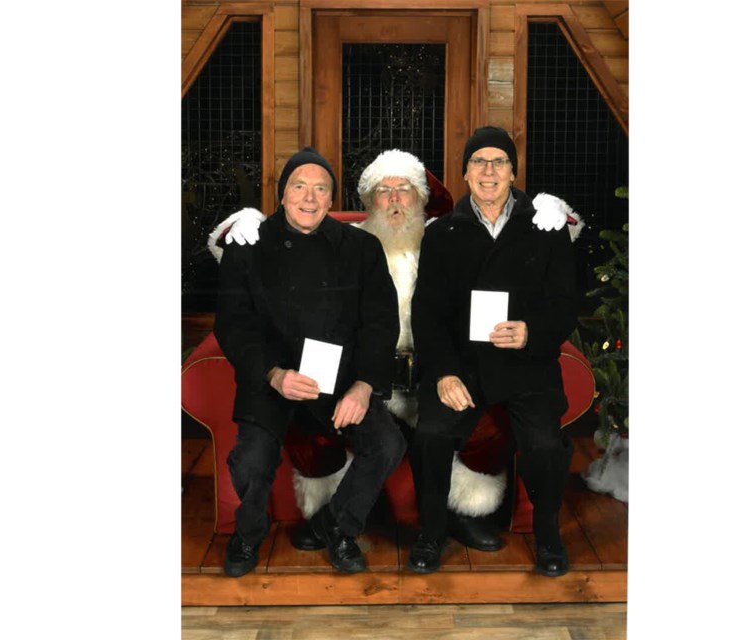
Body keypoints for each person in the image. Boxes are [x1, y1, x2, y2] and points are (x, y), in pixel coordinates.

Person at [212, 149, 583, 556]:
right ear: (367, 202)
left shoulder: (448, 235)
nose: (393, 200)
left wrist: (548, 207)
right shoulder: (355, 243)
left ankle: (455, 515)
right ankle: (328, 520)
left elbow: (519, 253)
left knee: (456, 427)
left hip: (424, 373)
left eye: (403, 190)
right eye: (383, 191)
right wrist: (246, 219)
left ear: (421, 199)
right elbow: (241, 302)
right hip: (357, 377)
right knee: (338, 440)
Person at [213, 147, 406, 577]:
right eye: (299, 186)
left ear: (331, 198)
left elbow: (380, 323)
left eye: (321, 189)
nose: (310, 197)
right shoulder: (248, 246)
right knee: (250, 461)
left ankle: (338, 527)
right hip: (272, 378)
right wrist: (274, 374)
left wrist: (363, 386)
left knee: (388, 443)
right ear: (282, 195)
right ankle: (247, 536)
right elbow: (234, 325)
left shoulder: (361, 247)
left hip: (337, 381)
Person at [406, 126, 579, 578]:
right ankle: (432, 532)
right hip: (460, 366)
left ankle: (547, 535)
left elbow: (565, 304)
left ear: (513, 172)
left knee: (544, 443)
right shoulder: (442, 232)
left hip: (526, 365)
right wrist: (442, 373)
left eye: (498, 161)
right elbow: (427, 312)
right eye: (479, 161)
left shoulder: (545, 227)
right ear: (464, 174)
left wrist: (531, 333)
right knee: (431, 435)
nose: (488, 170)